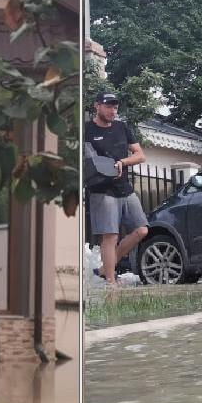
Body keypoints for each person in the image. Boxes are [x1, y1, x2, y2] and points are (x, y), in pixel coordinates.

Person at [84, 92, 148, 284]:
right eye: (108, 106)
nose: (113, 111)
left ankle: (105, 268)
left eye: (115, 107)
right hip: (101, 190)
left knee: (141, 230)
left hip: (124, 188)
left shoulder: (122, 127)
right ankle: (111, 283)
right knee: (110, 236)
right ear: (97, 106)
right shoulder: (86, 129)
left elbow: (140, 155)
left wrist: (122, 162)